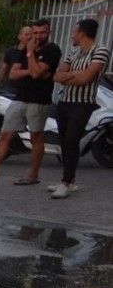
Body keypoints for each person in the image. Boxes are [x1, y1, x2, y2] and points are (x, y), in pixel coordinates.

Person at [0, 18, 60, 186]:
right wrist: (34, 69)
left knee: (36, 137)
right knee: (5, 135)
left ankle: (33, 175)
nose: (38, 36)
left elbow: (36, 74)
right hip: (20, 97)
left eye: (42, 33)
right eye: (35, 33)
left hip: (39, 100)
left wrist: (31, 55)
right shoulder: (25, 48)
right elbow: (14, 74)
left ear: (49, 32)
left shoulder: (52, 50)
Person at [49, 18, 109, 199]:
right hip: (65, 101)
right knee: (63, 142)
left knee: (71, 141)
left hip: (82, 104)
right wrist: (76, 74)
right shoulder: (73, 53)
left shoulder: (100, 51)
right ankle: (71, 180)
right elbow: (56, 76)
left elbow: (86, 79)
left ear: (82, 33)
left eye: (74, 32)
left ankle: (66, 181)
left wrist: (71, 76)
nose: (72, 35)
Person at [0, 25, 32, 92]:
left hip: (27, 87)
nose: (29, 37)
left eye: (31, 35)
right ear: (19, 36)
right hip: (11, 87)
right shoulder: (11, 51)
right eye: (26, 34)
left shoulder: (33, 52)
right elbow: (4, 68)